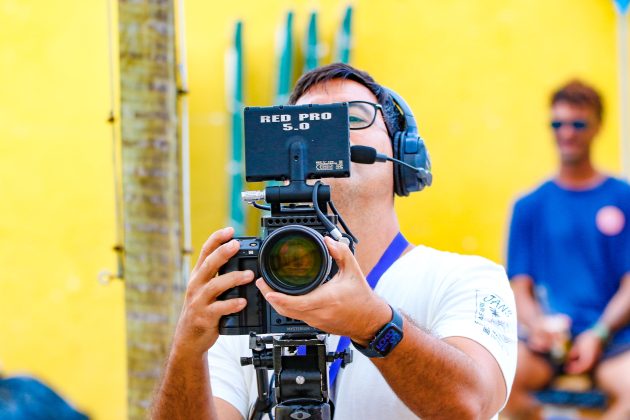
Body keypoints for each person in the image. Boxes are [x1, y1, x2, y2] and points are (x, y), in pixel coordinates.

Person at [152, 63, 517, 419]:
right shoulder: (249, 295)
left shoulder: (465, 278)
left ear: (402, 155)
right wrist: (187, 351)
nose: (331, 131)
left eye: (355, 116)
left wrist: (373, 324)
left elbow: (473, 406)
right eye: (307, 121)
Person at [504, 79, 630, 419]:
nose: (567, 133)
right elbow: (520, 287)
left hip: (614, 339)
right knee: (498, 381)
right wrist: (537, 326)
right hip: (548, 343)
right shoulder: (529, 205)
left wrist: (598, 335)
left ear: (598, 126)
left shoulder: (623, 197)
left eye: (578, 123)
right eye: (558, 124)